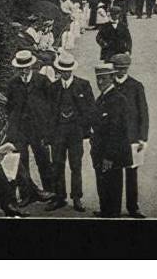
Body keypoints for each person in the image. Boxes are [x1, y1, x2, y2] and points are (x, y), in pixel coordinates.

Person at [46, 51, 95, 213]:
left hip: (75, 133)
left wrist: (82, 129)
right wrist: (49, 135)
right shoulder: (52, 88)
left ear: (72, 70)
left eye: (68, 70)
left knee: (76, 165)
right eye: (63, 70)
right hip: (58, 133)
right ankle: (59, 197)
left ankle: (77, 198)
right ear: (59, 71)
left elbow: (90, 110)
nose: (65, 73)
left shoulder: (83, 85)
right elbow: (48, 112)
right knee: (57, 165)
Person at [6, 50, 56, 205]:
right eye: (21, 67)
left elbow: (52, 103)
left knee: (43, 159)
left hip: (38, 127)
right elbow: (9, 106)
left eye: (27, 66)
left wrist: (47, 126)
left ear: (32, 65)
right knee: (22, 160)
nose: (24, 69)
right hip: (20, 128)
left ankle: (50, 192)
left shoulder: (42, 80)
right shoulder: (12, 83)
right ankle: (27, 194)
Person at [90, 63, 135, 218]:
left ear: (111, 78)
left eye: (103, 79)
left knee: (113, 184)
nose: (100, 82)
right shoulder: (101, 98)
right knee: (102, 183)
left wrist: (109, 156)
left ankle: (113, 213)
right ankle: (105, 210)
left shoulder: (117, 99)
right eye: (98, 79)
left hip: (112, 153)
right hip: (99, 150)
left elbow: (116, 131)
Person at [110, 53, 149, 218]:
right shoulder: (109, 85)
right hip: (113, 138)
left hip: (132, 137)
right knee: (114, 173)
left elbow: (143, 113)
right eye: (117, 68)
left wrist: (142, 137)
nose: (120, 71)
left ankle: (133, 207)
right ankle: (114, 209)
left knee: (132, 174)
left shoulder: (136, 86)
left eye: (123, 68)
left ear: (128, 68)